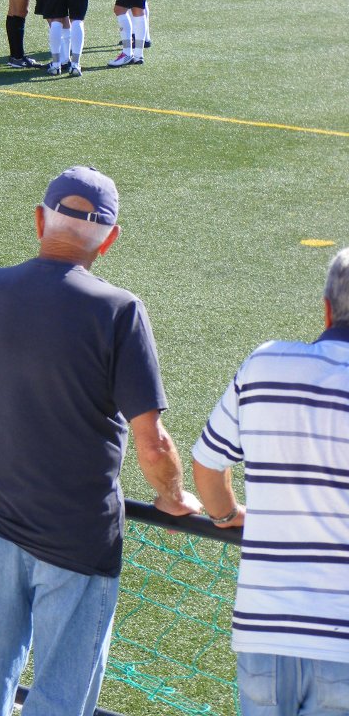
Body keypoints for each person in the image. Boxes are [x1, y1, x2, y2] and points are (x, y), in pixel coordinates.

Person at [0, 166, 201, 715]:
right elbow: (152, 443)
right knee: (60, 694)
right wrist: (174, 496)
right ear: (109, 238)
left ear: (40, 220)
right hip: (77, 538)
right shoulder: (119, 310)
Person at [192, 248, 349, 716]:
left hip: (263, 630)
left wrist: (225, 514)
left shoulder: (265, 364)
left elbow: (206, 464)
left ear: (326, 309)